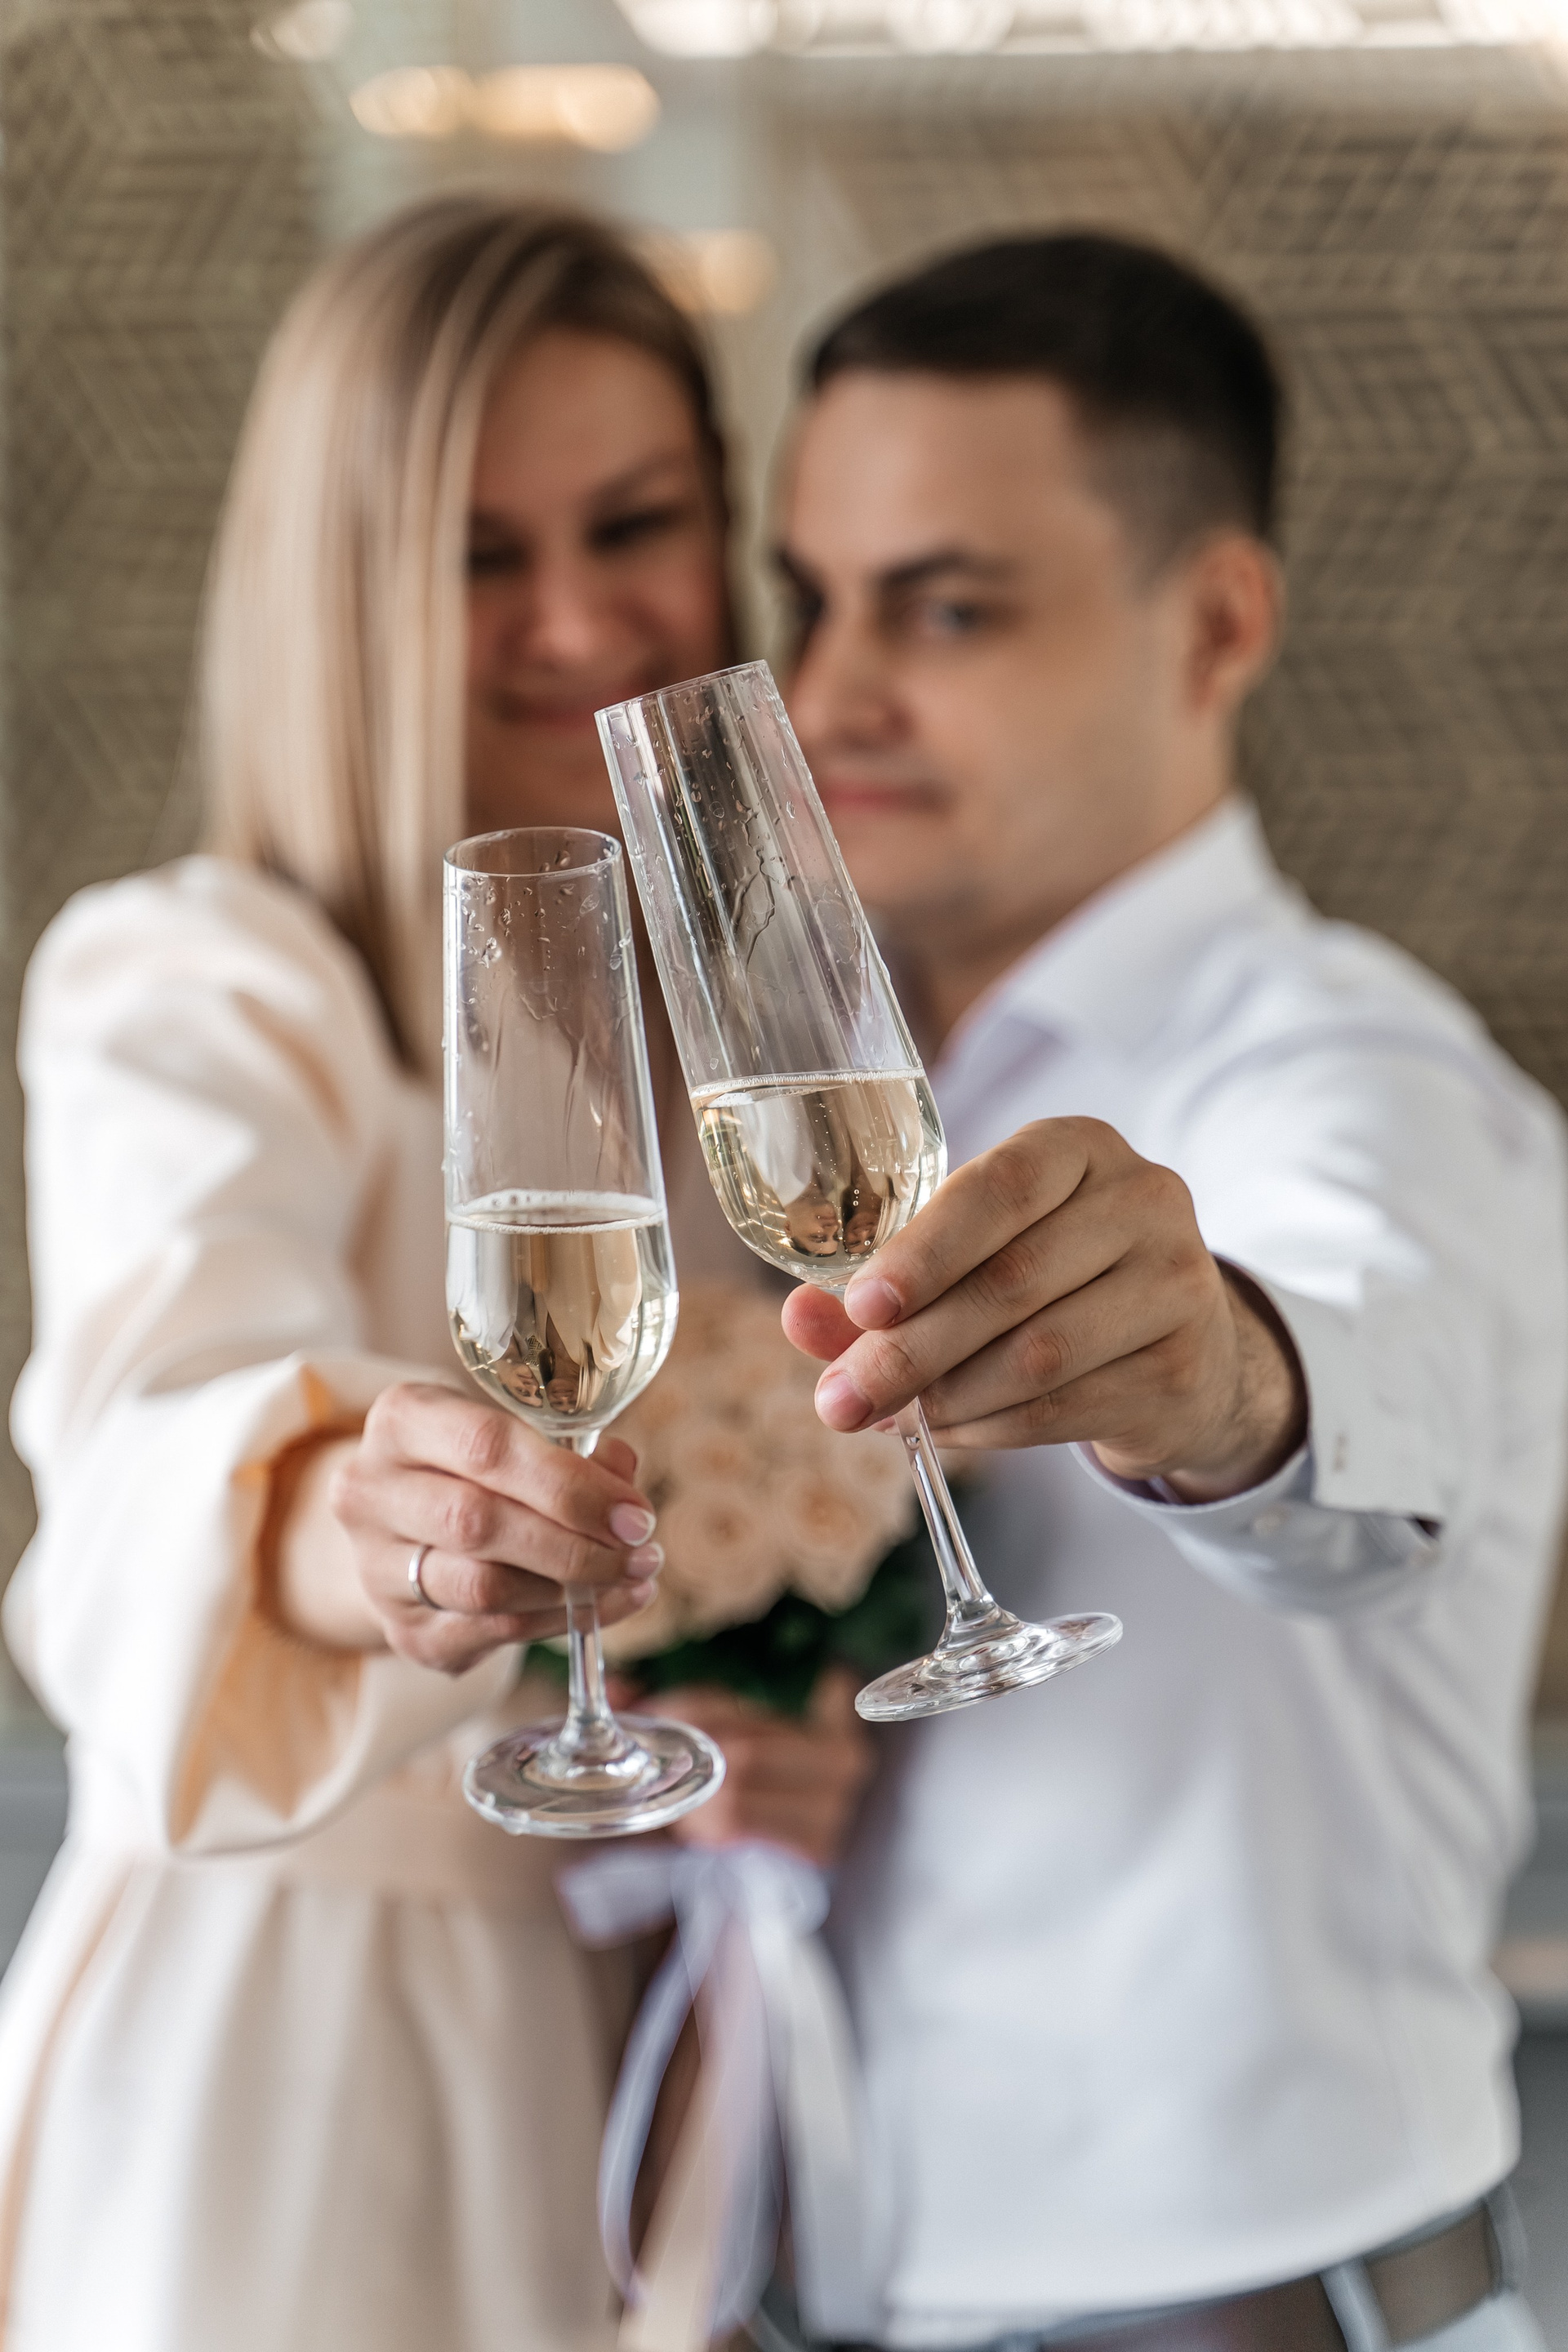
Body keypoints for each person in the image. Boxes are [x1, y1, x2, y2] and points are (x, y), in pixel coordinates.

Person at [0, 198, 866, 2352]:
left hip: (631, 2042)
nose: (575, 620)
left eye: (635, 524)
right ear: (345, 593)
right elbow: (147, 1440)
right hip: (286, 2058)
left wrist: (801, 1742)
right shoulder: (204, 986)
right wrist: (354, 1529)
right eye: (480, 555)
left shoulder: (760, 1039)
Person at [772, 234, 1567, 2350]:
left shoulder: (1363, 1073)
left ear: (1215, 621)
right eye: (812, 599)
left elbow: (1373, 1386)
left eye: (947, 607)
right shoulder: (859, 1109)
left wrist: (1223, 1379)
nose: (833, 691)